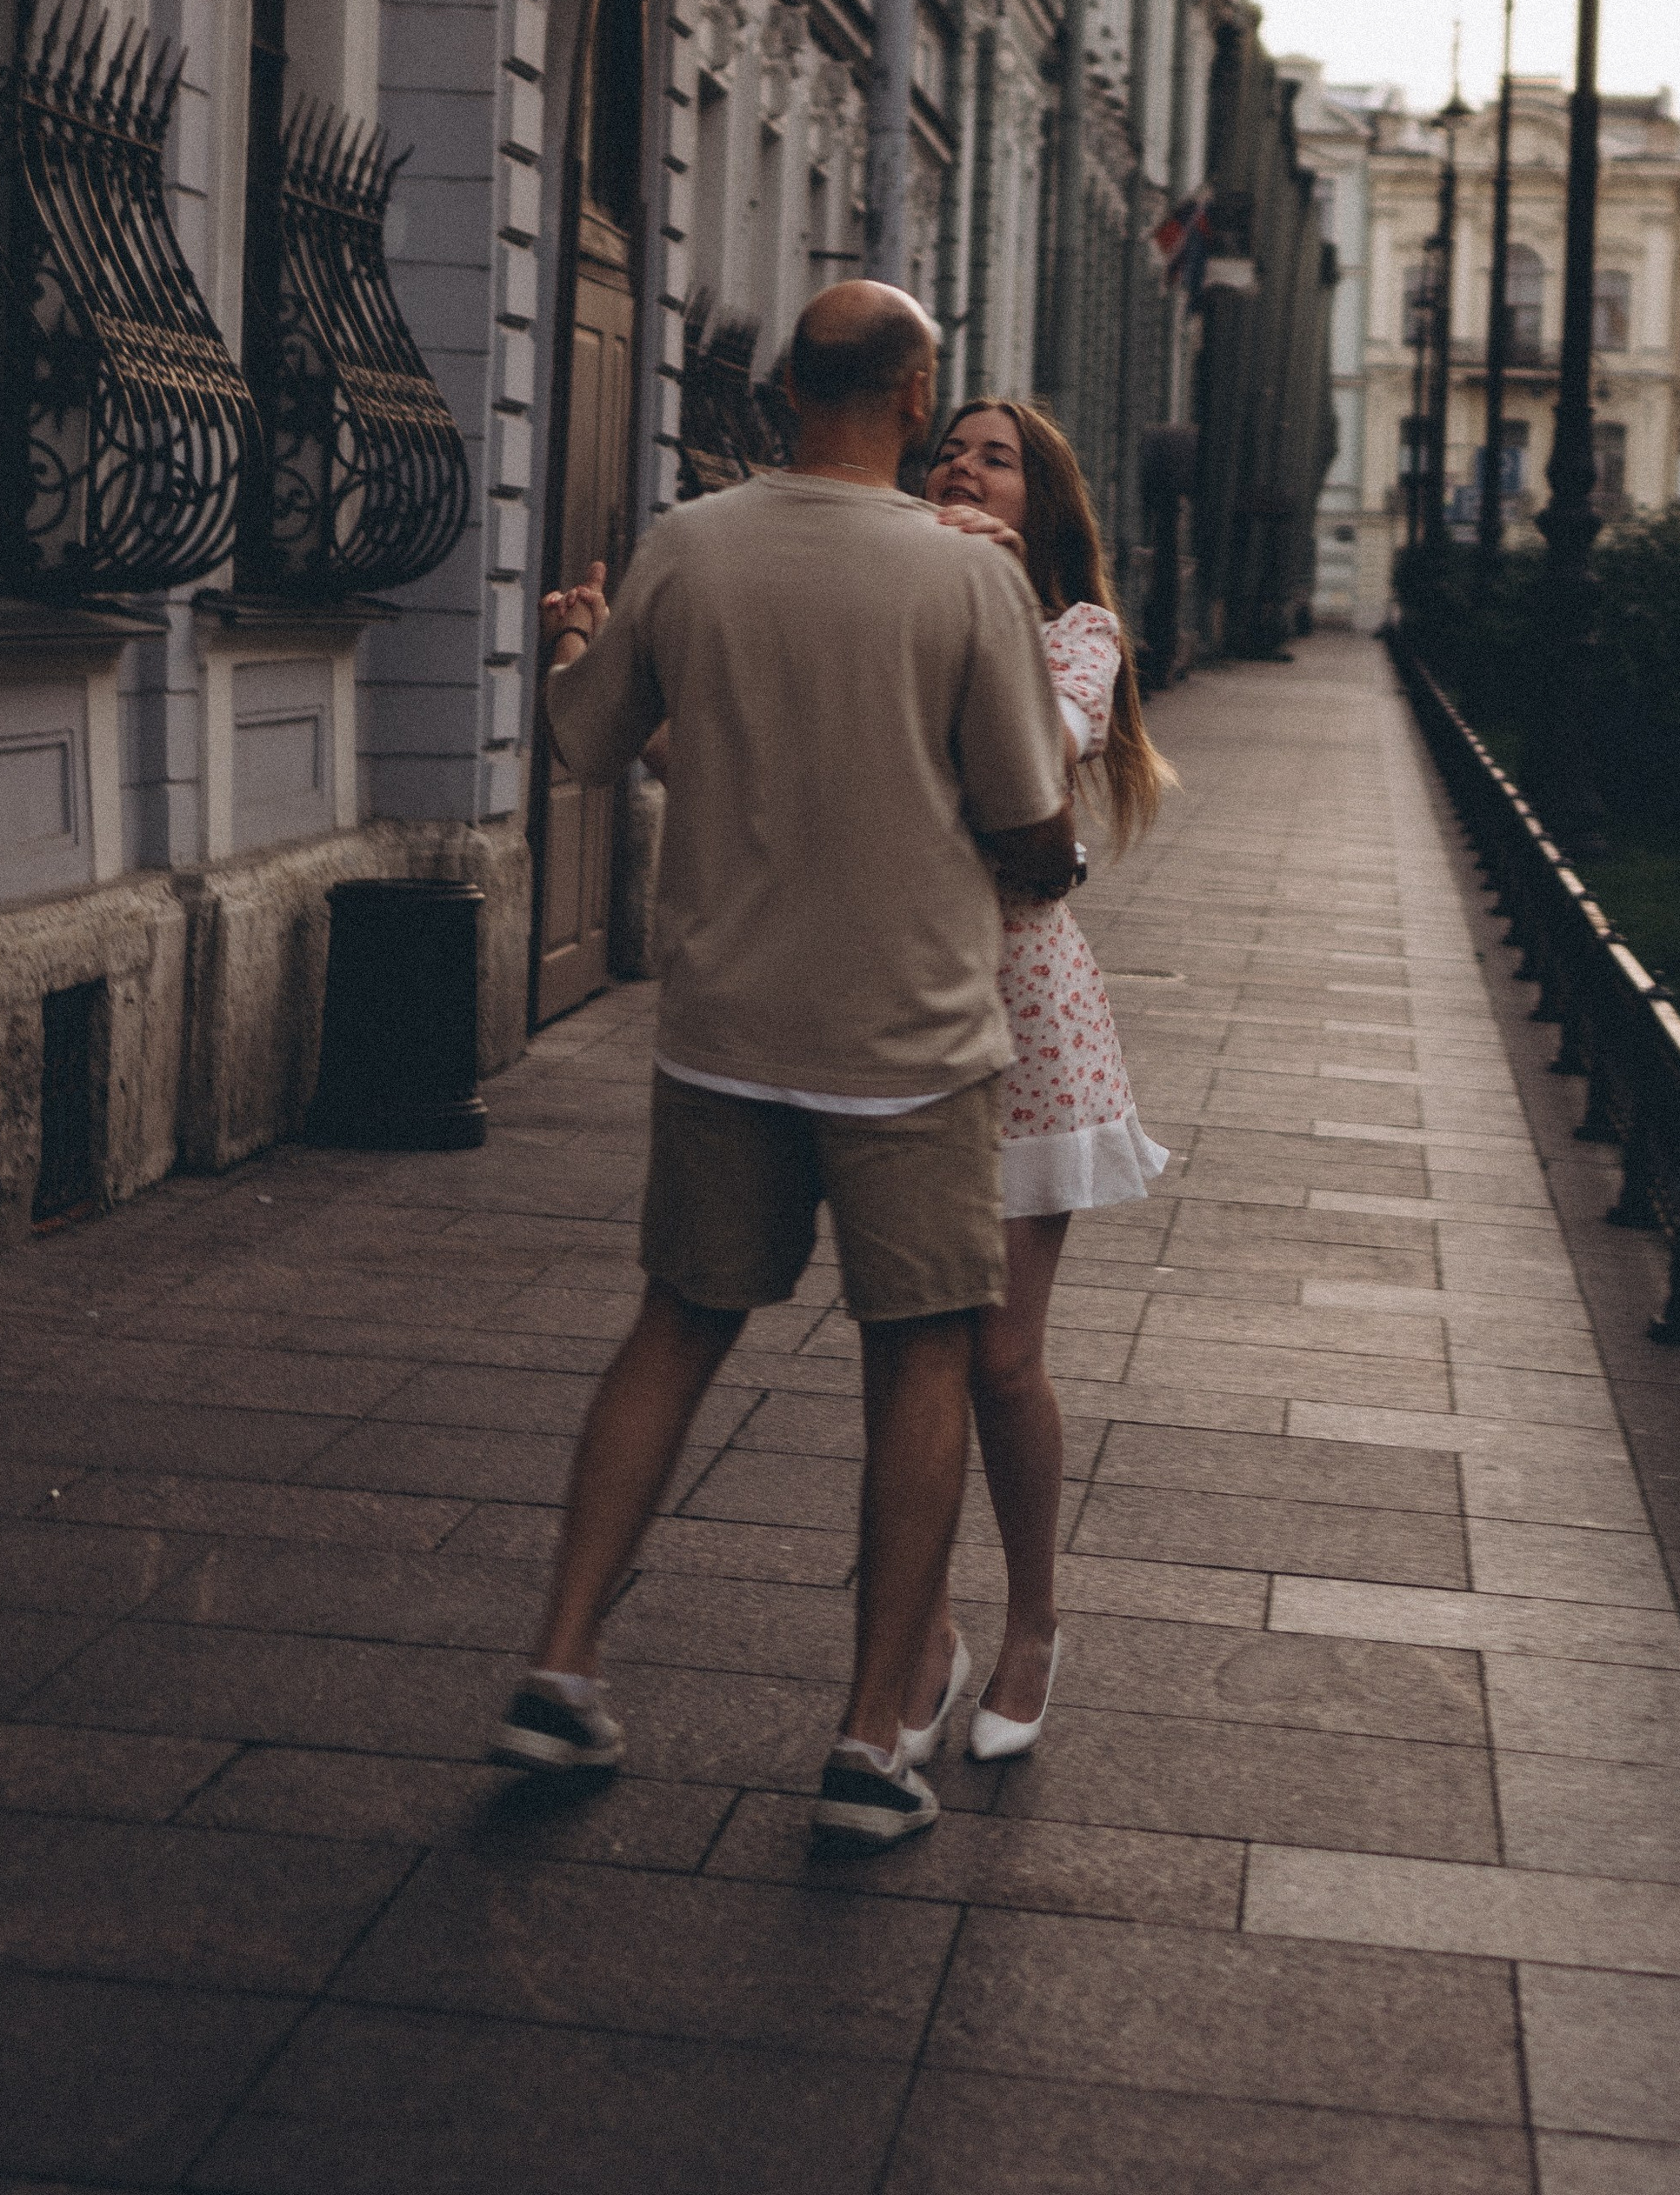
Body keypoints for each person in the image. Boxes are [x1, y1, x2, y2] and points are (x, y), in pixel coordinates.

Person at [490, 283, 1077, 1851]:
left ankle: (561, 1664)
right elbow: (1029, 818)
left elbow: (588, 742)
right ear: (915, 396)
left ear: (788, 390)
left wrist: (576, 645)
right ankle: (869, 1742)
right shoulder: (966, 575)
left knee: (676, 1325)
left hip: (726, 1031)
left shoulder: (689, 544)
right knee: (923, 1358)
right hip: (911, 1042)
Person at [905, 399, 1175, 1762]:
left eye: (995, 457)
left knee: (1003, 1359)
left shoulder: (1078, 632)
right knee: (914, 1357)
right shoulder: (898, 602)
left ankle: (1034, 1622)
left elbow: (1041, 749)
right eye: (949, 449)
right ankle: (922, 1630)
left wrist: (994, 597)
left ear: (1040, 504)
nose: (963, 466)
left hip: (1026, 1026)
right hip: (901, 1010)